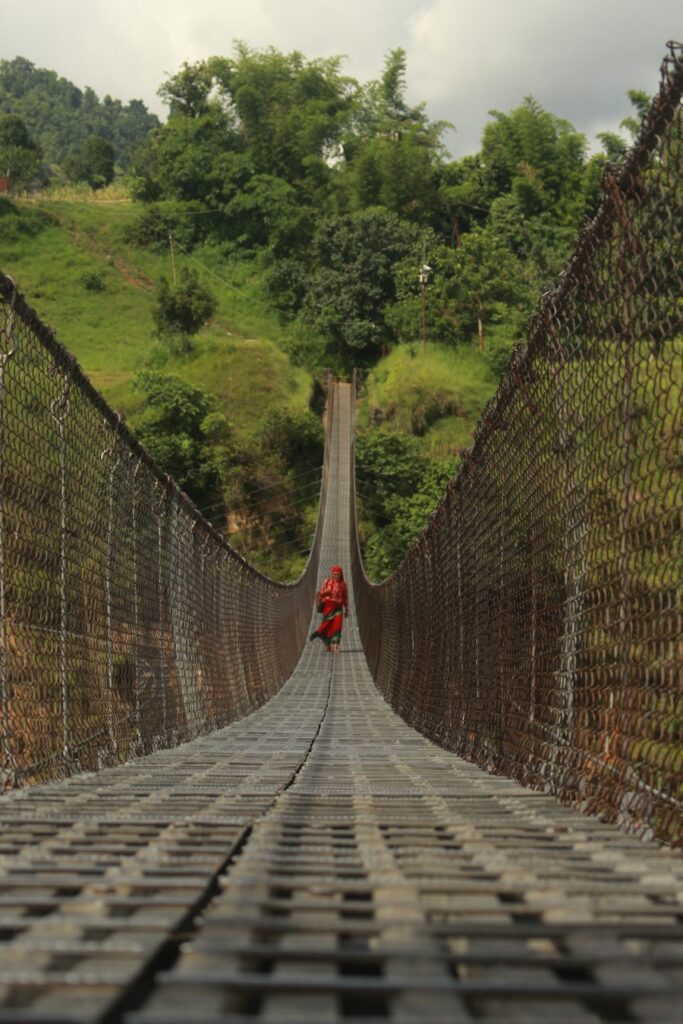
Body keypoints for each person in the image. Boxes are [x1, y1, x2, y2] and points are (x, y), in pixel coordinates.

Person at [310, 564, 348, 654]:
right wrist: (326, 592)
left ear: (341, 575)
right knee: (328, 625)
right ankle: (327, 642)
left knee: (337, 626)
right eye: (334, 574)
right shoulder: (327, 582)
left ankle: (335, 645)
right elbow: (320, 593)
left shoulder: (343, 585)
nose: (336, 576)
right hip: (328, 606)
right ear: (332, 574)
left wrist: (347, 609)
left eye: (338, 574)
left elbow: (345, 597)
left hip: (338, 607)